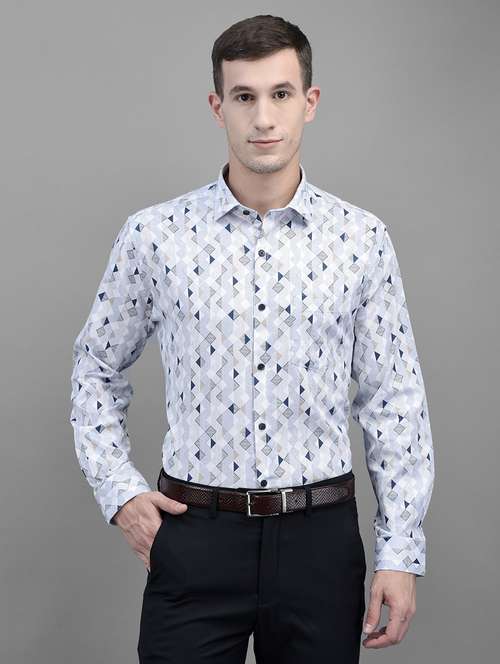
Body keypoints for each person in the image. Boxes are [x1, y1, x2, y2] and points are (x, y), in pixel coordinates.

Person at [69, 13, 435, 663]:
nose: (263, 118)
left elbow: (394, 401)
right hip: (195, 540)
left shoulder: (361, 241)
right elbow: (95, 366)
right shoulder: (155, 237)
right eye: (244, 97)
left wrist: (400, 551)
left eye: (280, 94)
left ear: (309, 102)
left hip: (320, 545)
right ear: (218, 107)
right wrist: (119, 492)